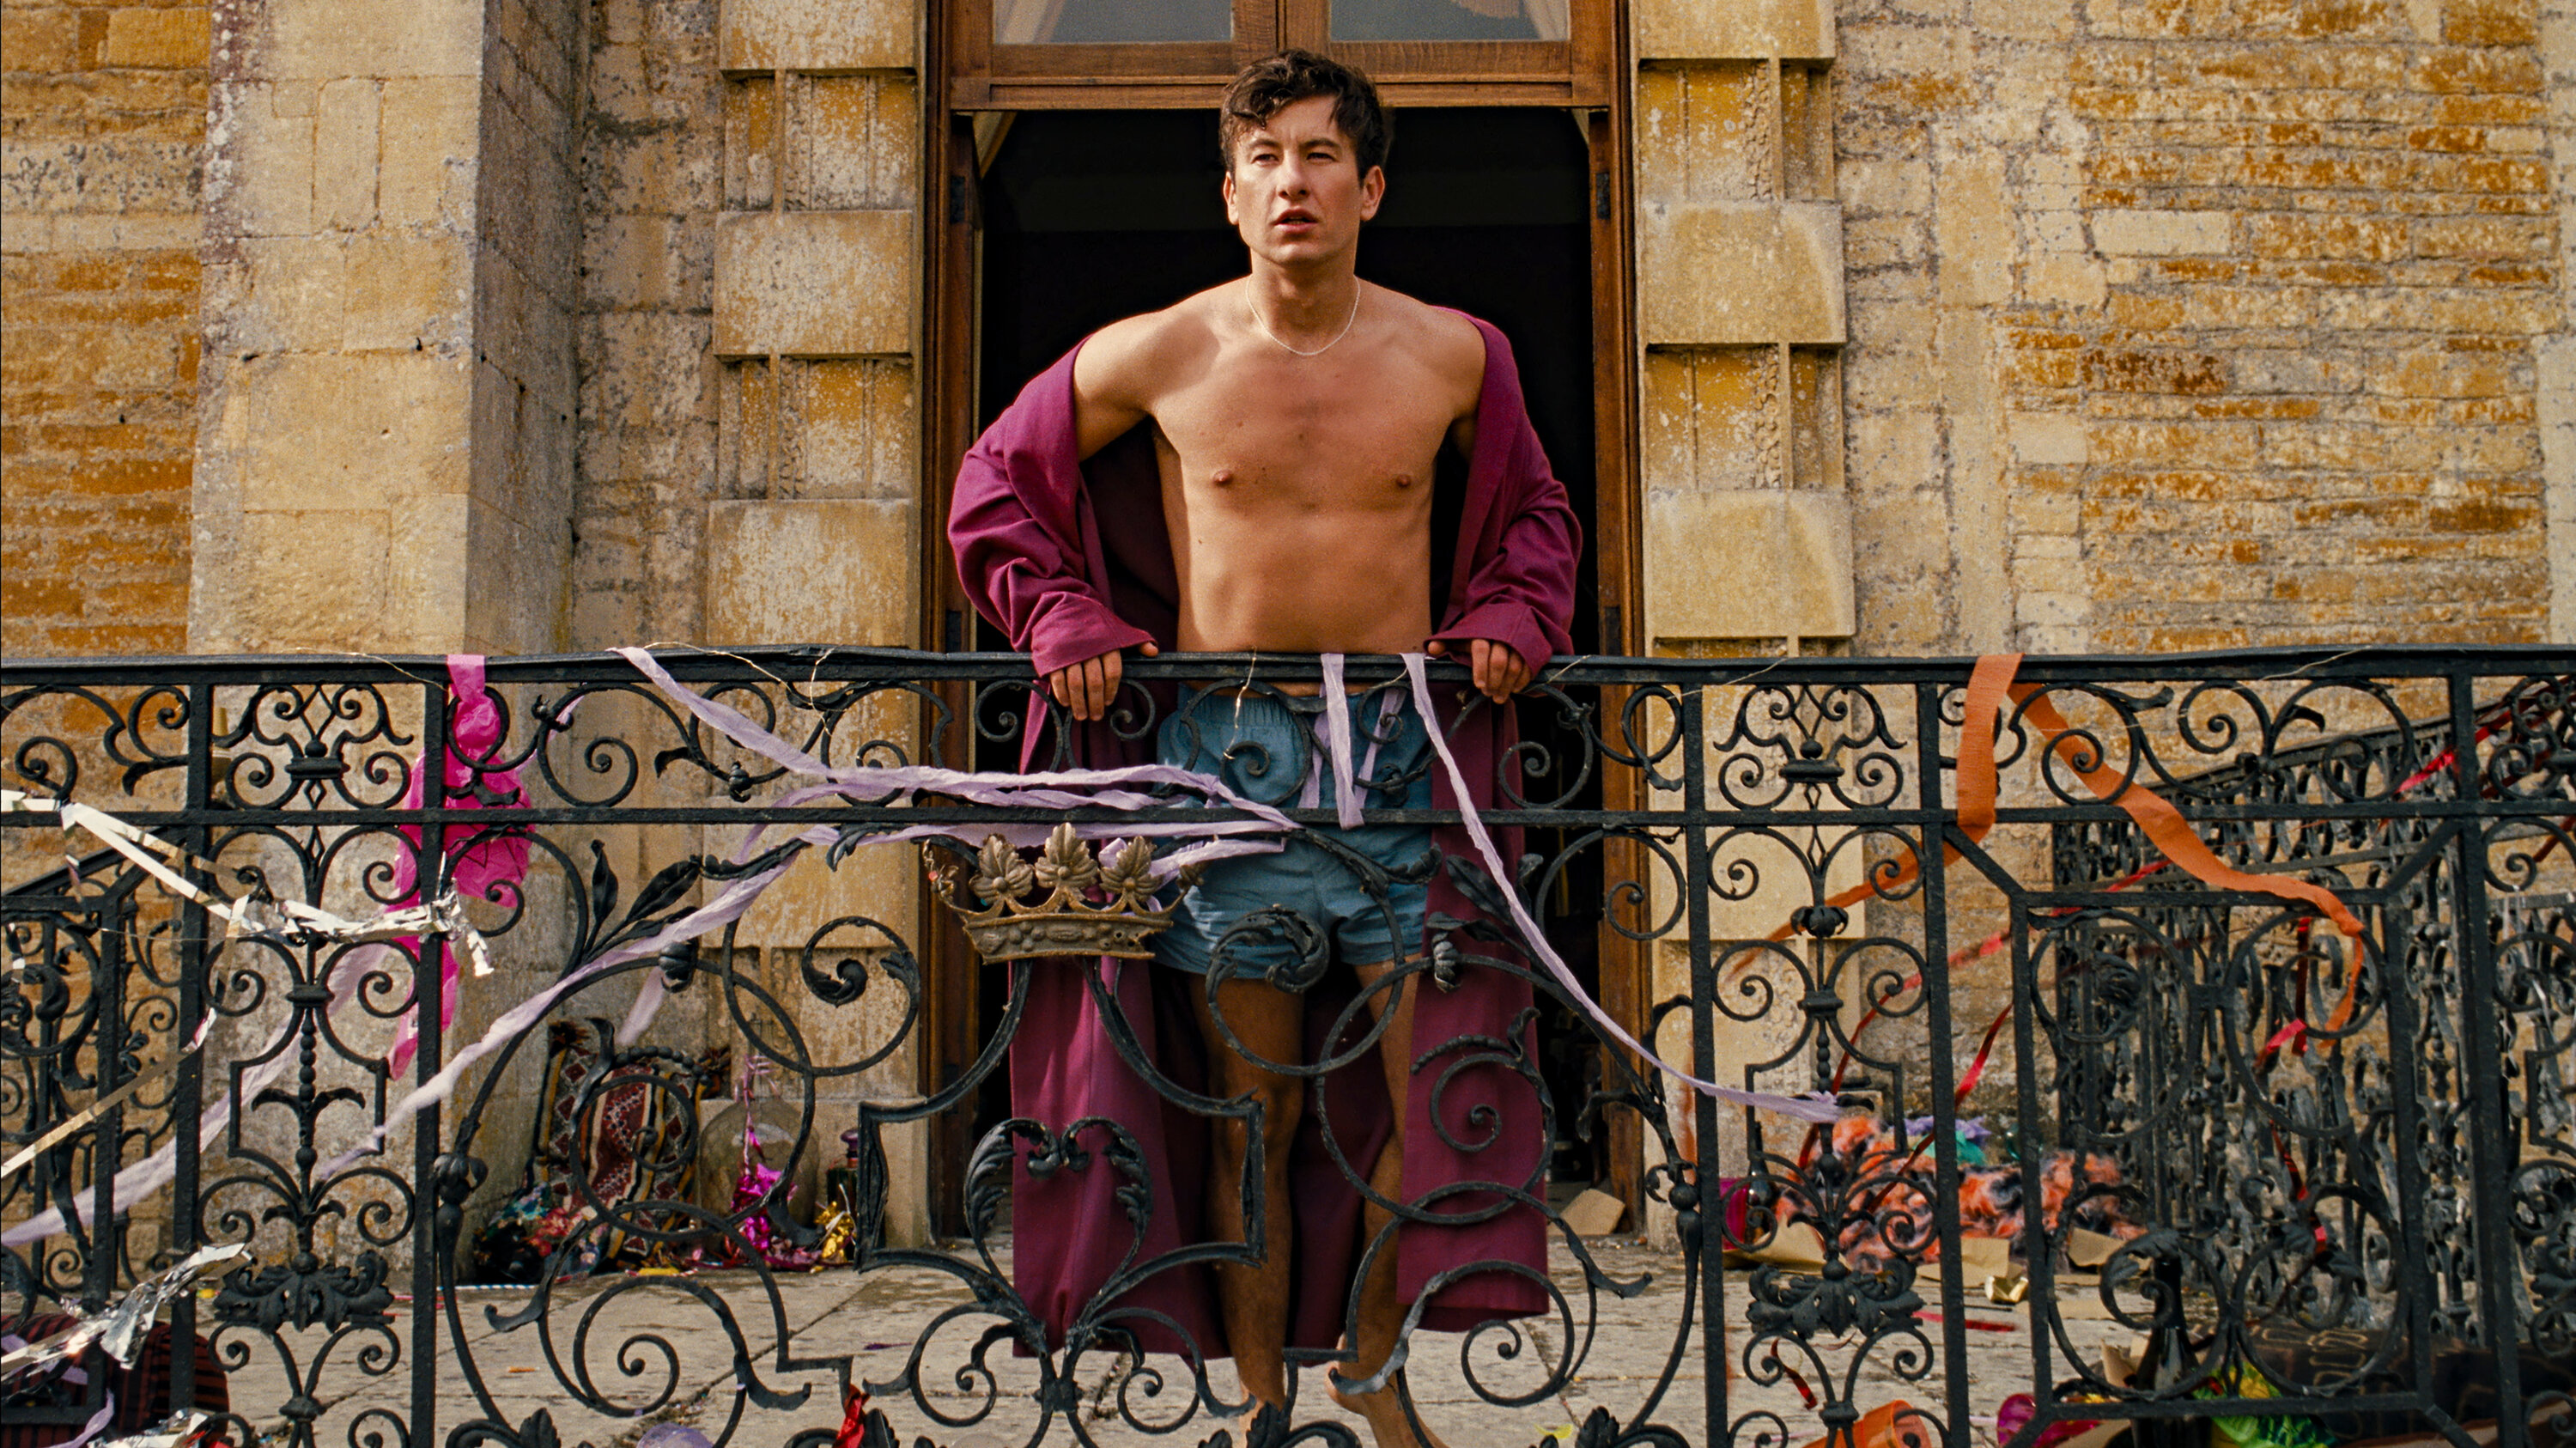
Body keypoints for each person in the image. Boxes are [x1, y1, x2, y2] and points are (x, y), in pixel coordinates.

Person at [948, 49, 1579, 1448]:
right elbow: (991, 486)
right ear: (1230, 196)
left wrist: (1505, 610)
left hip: (1406, 776)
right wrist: (1064, 613)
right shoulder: (1162, 350)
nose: (1294, 183)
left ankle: (1370, 1369)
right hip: (1228, 774)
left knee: (1433, 1098)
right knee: (1254, 1125)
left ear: (1372, 187)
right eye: (1266, 160)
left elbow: (1537, 513)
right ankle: (1260, 1406)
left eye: (1320, 156)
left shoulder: (1454, 353)